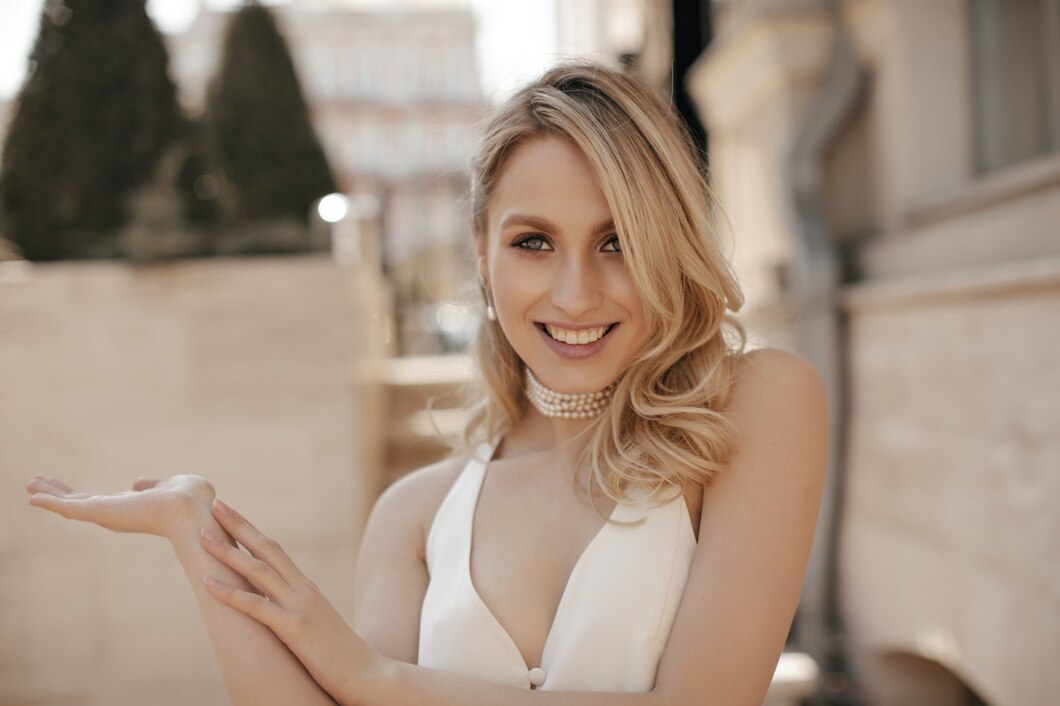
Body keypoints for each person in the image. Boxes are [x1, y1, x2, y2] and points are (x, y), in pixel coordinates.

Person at [25, 61, 827, 705]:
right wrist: (189, 526)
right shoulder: (417, 515)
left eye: (616, 241)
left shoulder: (754, 408)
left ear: (668, 242)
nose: (576, 293)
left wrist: (378, 682)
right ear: (481, 253)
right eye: (534, 242)